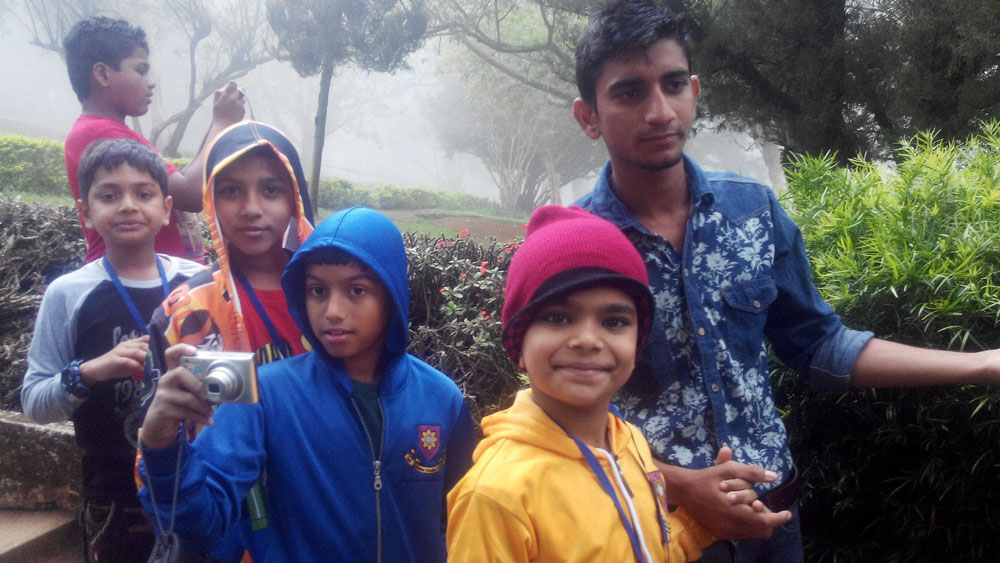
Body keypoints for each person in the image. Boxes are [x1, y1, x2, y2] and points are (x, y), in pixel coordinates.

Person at [571, 2, 1000, 561]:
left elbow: (820, 344)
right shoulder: (574, 244)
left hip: (773, 523)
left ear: (694, 92)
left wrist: (982, 364)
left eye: (673, 84)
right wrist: (678, 485)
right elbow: (558, 413)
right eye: (629, 93)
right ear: (589, 116)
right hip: (648, 531)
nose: (660, 111)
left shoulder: (752, 211)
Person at [137, 206, 477, 562]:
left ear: (392, 297)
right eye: (317, 290)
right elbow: (197, 527)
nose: (333, 311)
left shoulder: (441, 398)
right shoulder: (265, 395)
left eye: (356, 290)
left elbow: (463, 520)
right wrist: (162, 446)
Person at [447, 205, 717, 562]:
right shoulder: (497, 495)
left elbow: (647, 548)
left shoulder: (628, 441)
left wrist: (705, 523)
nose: (588, 340)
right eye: (558, 318)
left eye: (614, 321)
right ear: (519, 343)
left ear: (637, 345)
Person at [20, 138, 205, 563]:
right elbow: (34, 402)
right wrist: (89, 372)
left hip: (197, 483)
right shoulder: (68, 294)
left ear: (167, 209)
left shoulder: (199, 284)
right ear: (85, 211)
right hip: (114, 500)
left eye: (143, 194)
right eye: (108, 195)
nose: (127, 206)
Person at [140, 120, 315, 561]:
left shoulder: (328, 300)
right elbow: (155, 443)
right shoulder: (183, 313)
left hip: (322, 521)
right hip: (220, 531)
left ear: (295, 196)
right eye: (231, 190)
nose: (251, 208)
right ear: (210, 199)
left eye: (271, 189)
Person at [62, 16, 246, 263]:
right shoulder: (100, 134)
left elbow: (185, 178)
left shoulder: (109, 131)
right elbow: (191, 194)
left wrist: (218, 123)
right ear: (103, 74)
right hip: (130, 278)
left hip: (158, 275)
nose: (150, 83)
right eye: (141, 70)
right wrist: (223, 122)